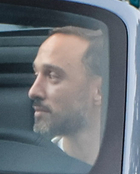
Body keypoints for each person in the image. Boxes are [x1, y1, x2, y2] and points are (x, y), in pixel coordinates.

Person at [29, 25, 107, 163]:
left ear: (99, 91)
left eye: (52, 75)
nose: (33, 91)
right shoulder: (33, 167)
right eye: (36, 73)